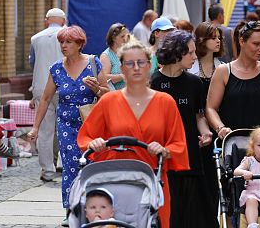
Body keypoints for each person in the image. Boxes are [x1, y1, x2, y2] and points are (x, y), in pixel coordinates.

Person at [77, 42, 189, 228]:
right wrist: (94, 143)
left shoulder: (165, 102)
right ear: (121, 68)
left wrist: (164, 150)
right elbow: (86, 137)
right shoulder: (108, 101)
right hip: (113, 182)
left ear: (149, 65)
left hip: (153, 181)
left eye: (141, 62)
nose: (136, 68)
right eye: (129, 63)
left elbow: (178, 144)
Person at [28, 26, 109, 225]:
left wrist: (97, 88)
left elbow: (108, 95)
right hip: (66, 125)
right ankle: (70, 211)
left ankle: (94, 210)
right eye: (62, 42)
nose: (63, 46)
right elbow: (45, 99)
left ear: (79, 44)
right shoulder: (56, 68)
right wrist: (35, 127)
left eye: (68, 42)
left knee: (91, 166)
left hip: (90, 124)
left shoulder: (93, 63)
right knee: (71, 167)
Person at [151, 30, 217, 228]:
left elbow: (199, 116)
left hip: (190, 154)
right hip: (161, 157)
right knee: (169, 211)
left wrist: (205, 132)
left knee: (194, 212)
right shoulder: (153, 83)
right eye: (190, 52)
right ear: (177, 53)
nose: (195, 57)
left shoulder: (195, 83)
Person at [206, 21, 260, 139]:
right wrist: (220, 127)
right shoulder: (223, 71)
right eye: (256, 44)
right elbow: (210, 108)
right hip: (232, 145)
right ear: (242, 41)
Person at [189, 21, 225, 218]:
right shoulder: (189, 66)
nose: (218, 41)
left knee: (214, 177)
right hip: (195, 128)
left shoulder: (224, 67)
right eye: (213, 37)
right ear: (201, 40)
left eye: (219, 37)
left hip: (218, 128)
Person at [29, 8, 66, 182]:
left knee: (44, 130)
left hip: (41, 86)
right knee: (65, 127)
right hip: (64, 86)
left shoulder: (35, 39)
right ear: (63, 21)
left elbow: (32, 63)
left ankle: (47, 170)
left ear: (46, 21)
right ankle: (64, 164)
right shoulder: (69, 36)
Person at [100, 23, 130, 91]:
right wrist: (122, 76)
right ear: (114, 38)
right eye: (122, 36)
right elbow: (103, 78)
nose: (125, 39)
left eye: (127, 36)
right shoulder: (106, 55)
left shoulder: (127, 52)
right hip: (114, 96)